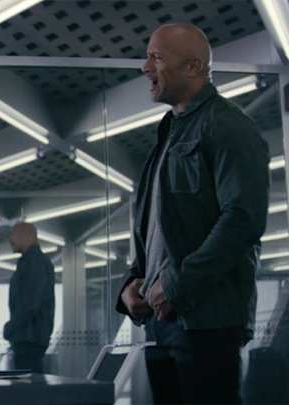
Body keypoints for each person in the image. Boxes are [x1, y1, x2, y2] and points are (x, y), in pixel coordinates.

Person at [116, 23, 269, 404]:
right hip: (163, 322)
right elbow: (158, 227)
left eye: (156, 57)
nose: (145, 68)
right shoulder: (170, 132)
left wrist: (175, 286)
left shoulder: (229, 126)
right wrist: (133, 282)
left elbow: (242, 221)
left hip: (207, 323)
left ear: (193, 67)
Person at [2, 222, 55, 373]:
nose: (10, 239)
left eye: (14, 235)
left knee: (28, 384)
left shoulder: (34, 262)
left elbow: (31, 302)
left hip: (29, 339)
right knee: (30, 383)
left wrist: (11, 328)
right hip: (29, 338)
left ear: (28, 236)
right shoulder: (30, 261)